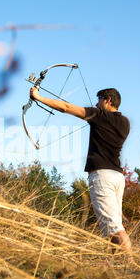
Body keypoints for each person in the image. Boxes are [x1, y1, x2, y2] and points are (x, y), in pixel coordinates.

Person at [30, 86, 132, 257]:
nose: (96, 103)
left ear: (107, 100)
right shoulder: (125, 122)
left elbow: (66, 108)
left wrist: (38, 97)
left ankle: (131, 264)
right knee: (112, 227)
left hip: (102, 176)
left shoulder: (99, 115)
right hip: (117, 177)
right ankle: (116, 267)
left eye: (99, 99)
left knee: (115, 228)